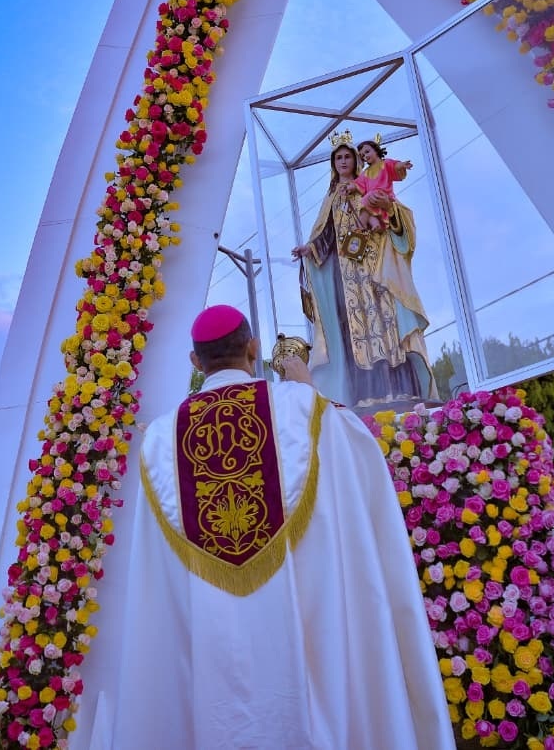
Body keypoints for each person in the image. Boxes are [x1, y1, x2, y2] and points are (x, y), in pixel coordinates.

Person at [100, 305, 454, 748]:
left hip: (208, 645)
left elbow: (156, 581)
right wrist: (305, 385)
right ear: (253, 348)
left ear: (196, 362)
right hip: (310, 631)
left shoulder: (160, 438)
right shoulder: (303, 410)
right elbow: (359, 458)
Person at [291, 139, 437, 409]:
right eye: (339, 159)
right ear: (334, 166)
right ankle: (364, 395)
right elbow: (325, 236)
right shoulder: (333, 197)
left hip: (375, 270)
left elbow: (395, 214)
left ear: (357, 161)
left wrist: (390, 211)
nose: (344, 162)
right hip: (347, 280)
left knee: (386, 328)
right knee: (356, 333)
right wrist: (309, 249)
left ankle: (401, 391)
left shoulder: (368, 184)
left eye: (348, 157)